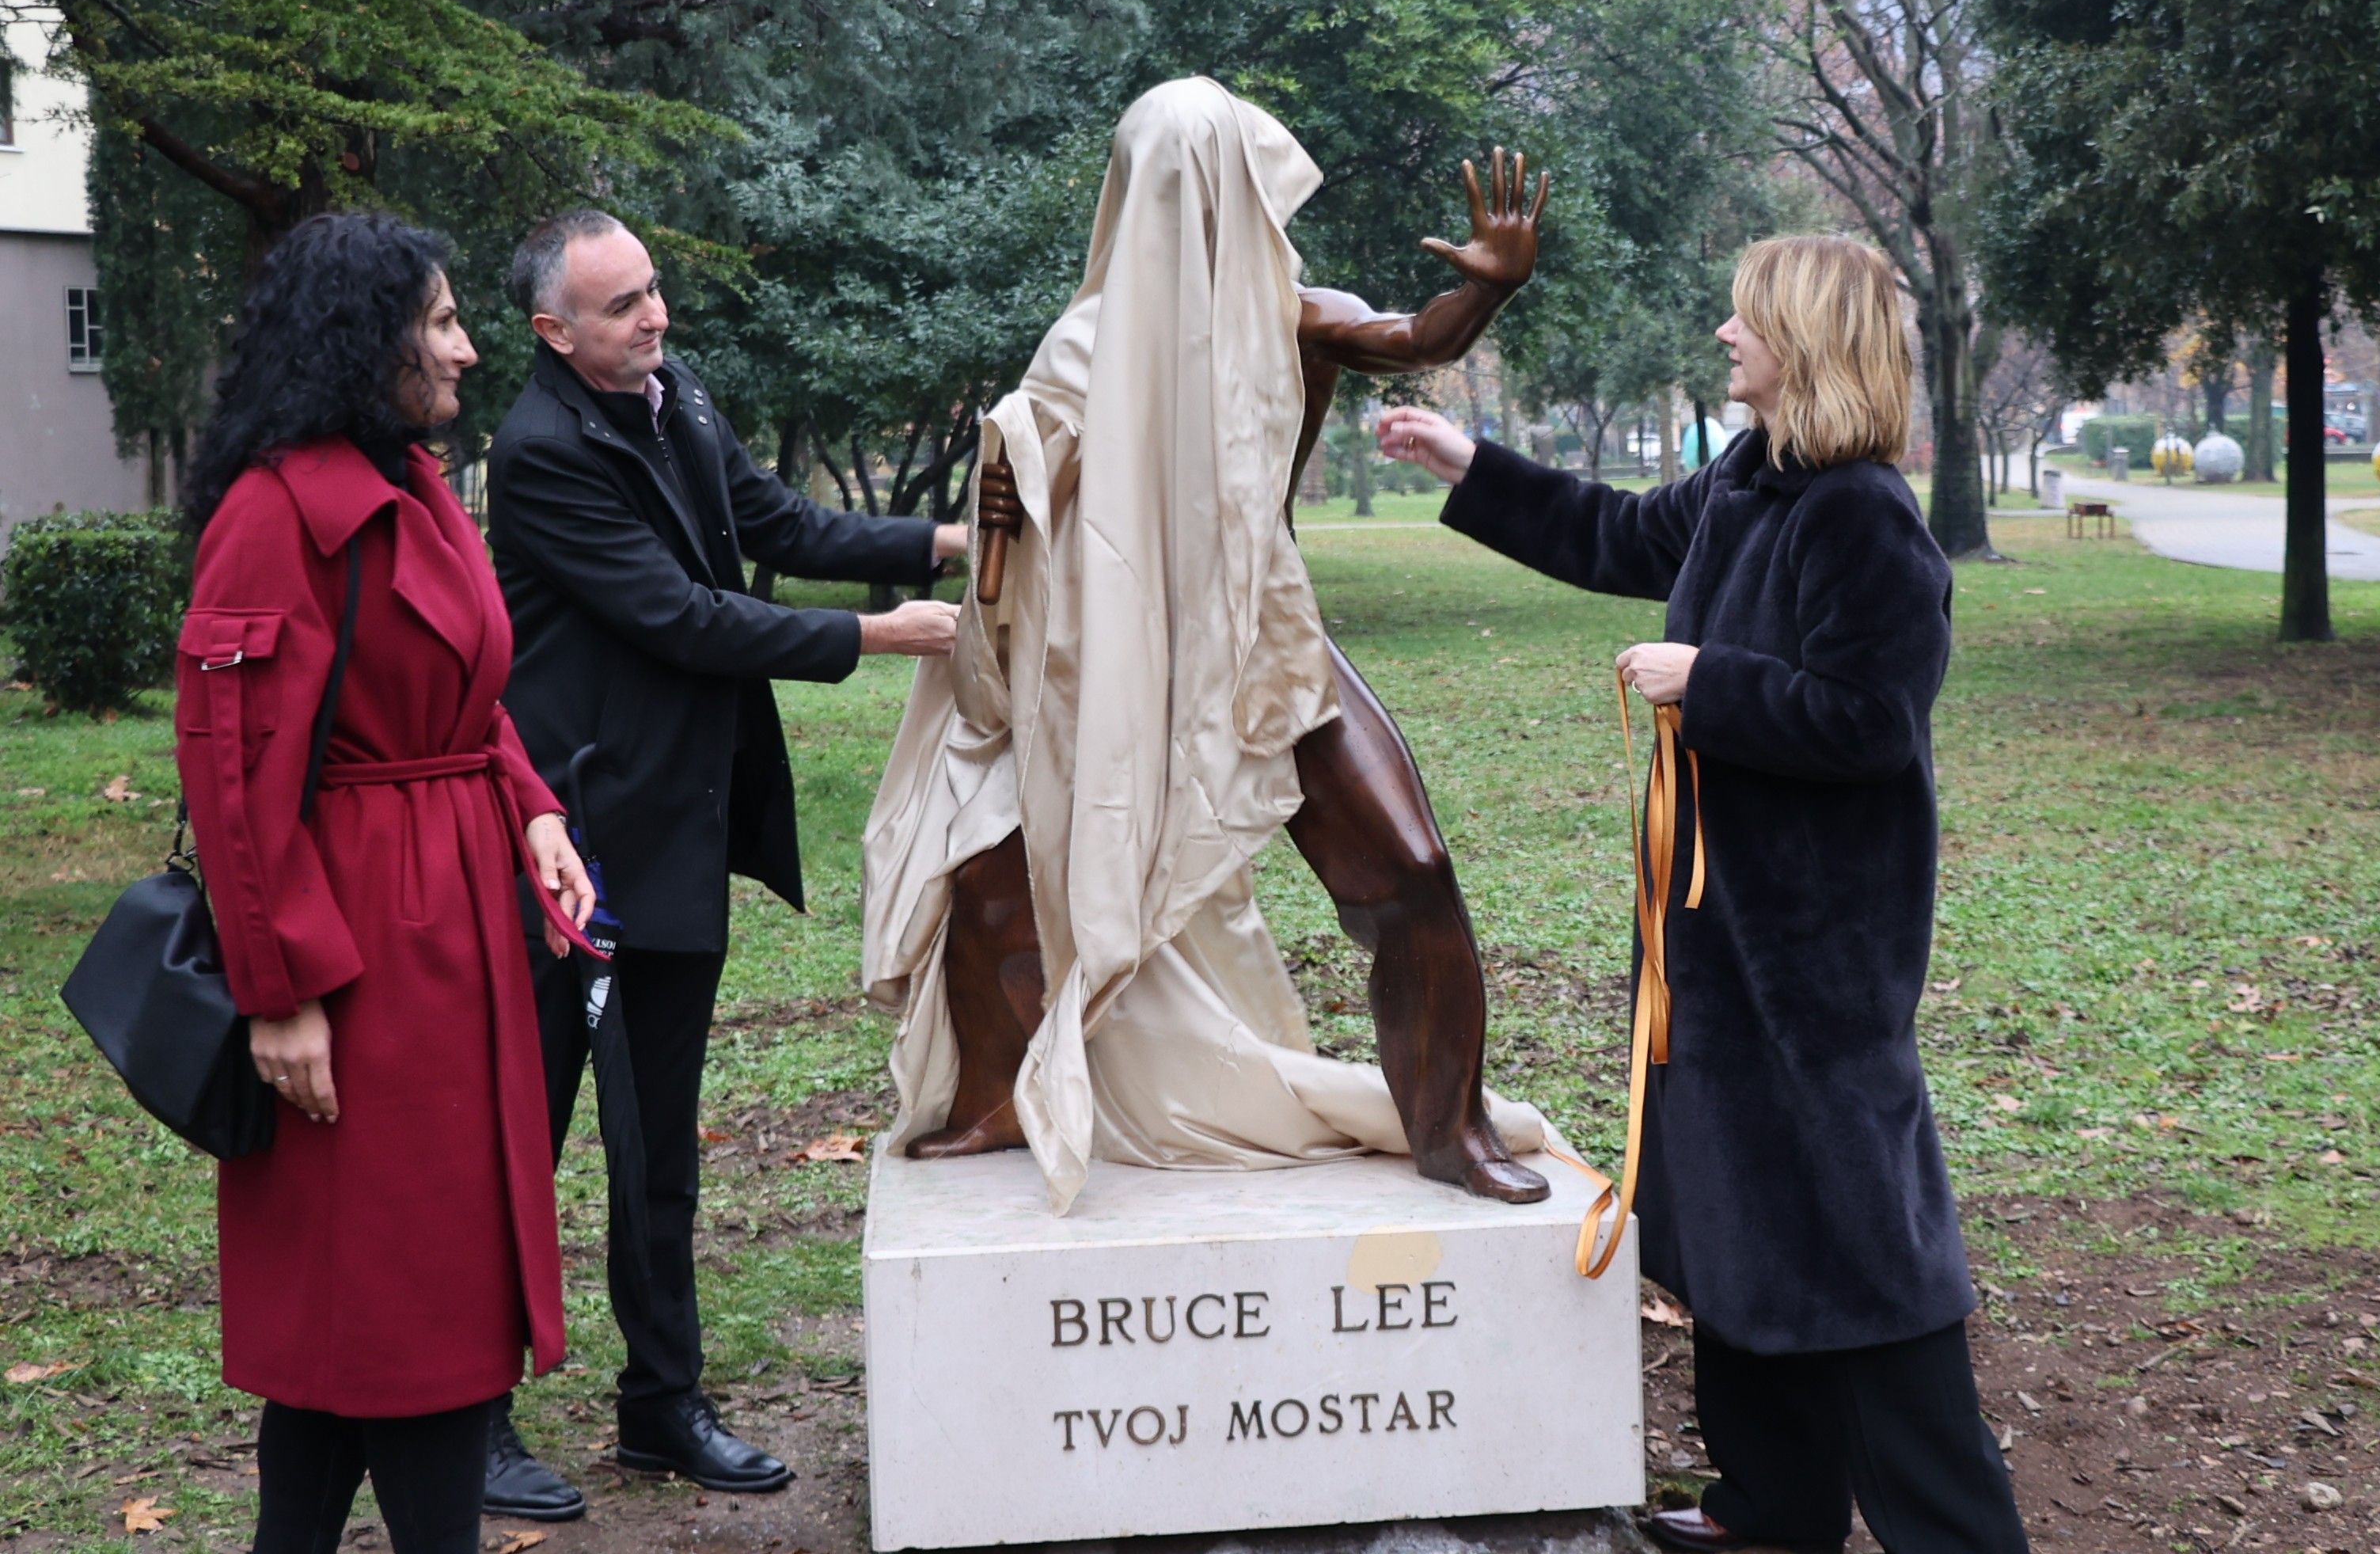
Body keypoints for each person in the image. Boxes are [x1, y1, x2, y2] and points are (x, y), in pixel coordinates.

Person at [1378, 234, 2031, 1554]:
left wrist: (1708, 682)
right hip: (1716, 945)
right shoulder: (1749, 476)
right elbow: (1618, 531)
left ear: (1807, 340)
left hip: (1816, 961)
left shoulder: (1863, 516)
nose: (1726, 336)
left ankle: (1959, 1535)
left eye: (1746, 320)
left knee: (1863, 1252)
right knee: (1740, 1221)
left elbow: (1872, 723)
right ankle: (1771, 1506)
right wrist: (1467, 465)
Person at [861, 77, 1551, 1216]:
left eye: (1202, 182)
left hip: (1264, 635)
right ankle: (994, 1093)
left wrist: (1486, 290)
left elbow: (1415, 337)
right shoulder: (1084, 344)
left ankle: (1451, 1128)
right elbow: (1025, 501)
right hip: (1115, 651)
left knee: (1410, 870)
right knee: (995, 873)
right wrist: (1009, 478)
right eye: (1161, 184)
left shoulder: (1295, 313)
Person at [483, 209, 964, 1514]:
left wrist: (944, 542)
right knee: (520, 1142)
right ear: (553, 332)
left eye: (653, 290)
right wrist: (878, 637)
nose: (656, 317)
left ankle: (661, 1407)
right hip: (570, 844)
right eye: (623, 305)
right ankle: (470, 1420)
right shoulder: (540, 452)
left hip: (675, 830)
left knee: (658, 1151)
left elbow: (773, 520)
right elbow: (681, 617)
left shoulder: (671, 391)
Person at [174, 211, 599, 1554]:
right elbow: (232, 772)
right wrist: (280, 991)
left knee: (384, 1312)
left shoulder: (412, 481)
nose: (467, 348)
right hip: (358, 953)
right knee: (400, 1312)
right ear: (365, 339)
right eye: (442, 322)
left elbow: (467, 692)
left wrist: (534, 810)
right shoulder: (274, 513)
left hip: (454, 930)